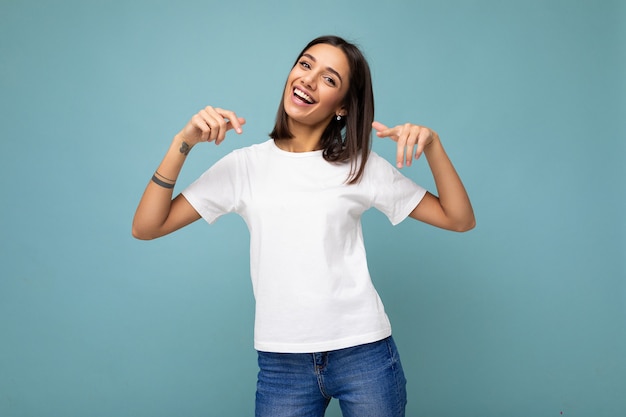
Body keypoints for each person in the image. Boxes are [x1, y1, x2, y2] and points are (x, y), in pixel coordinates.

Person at [132, 35, 474, 417]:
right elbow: (147, 226)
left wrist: (434, 145)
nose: (308, 80)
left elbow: (458, 219)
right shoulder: (244, 166)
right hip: (283, 364)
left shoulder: (361, 167)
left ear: (343, 106)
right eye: (306, 65)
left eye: (330, 79)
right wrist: (182, 143)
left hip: (364, 353)